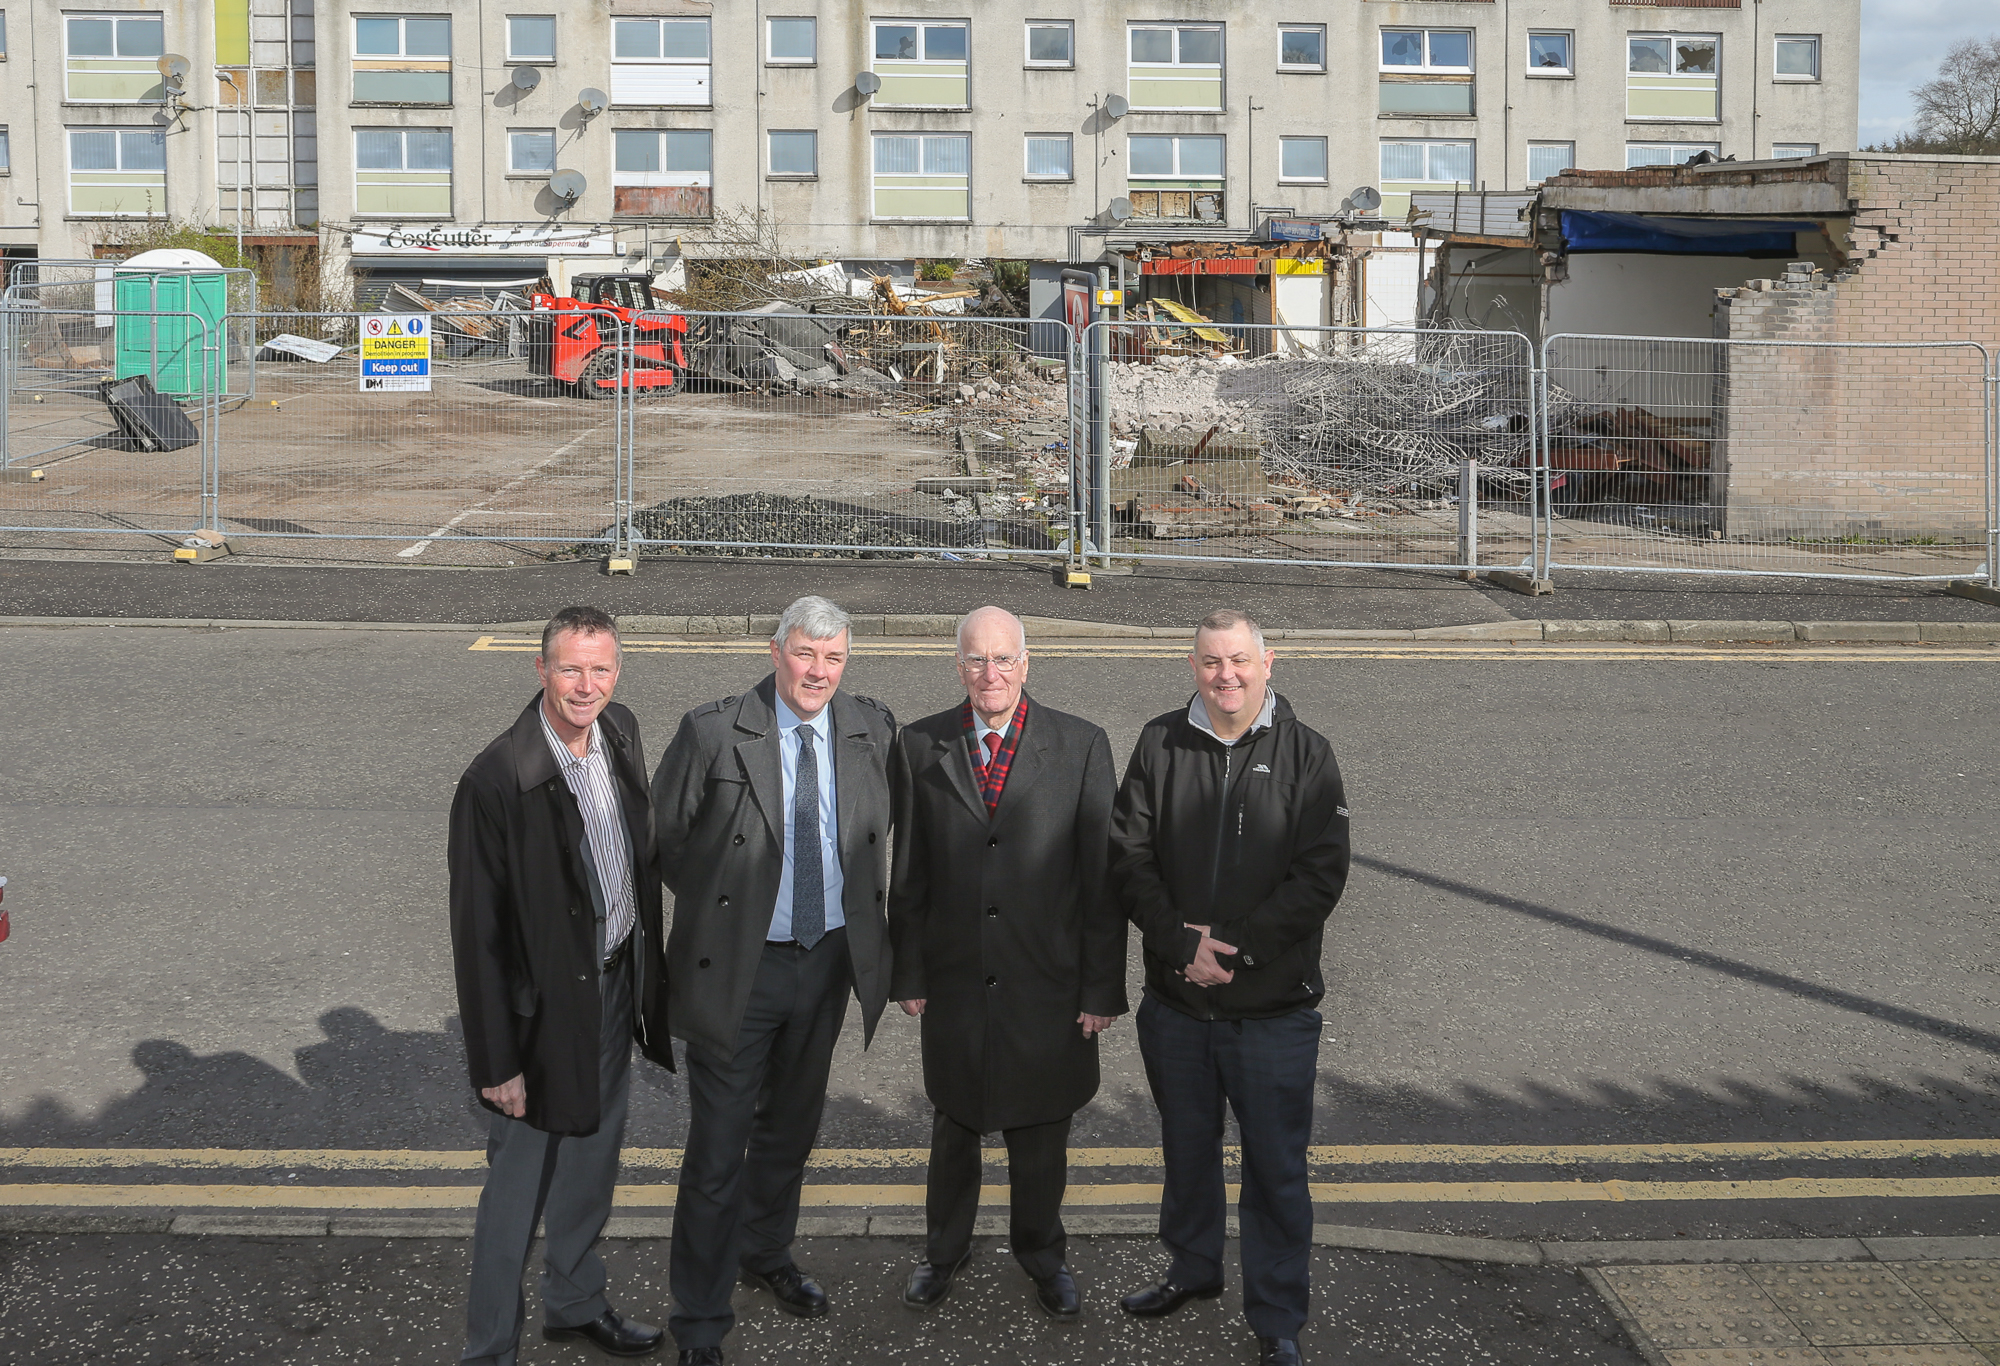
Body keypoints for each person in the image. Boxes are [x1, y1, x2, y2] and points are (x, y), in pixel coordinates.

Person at [650, 596, 898, 1366]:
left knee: (791, 1130)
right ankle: (698, 1318)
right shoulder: (713, 730)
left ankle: (765, 1252)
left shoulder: (871, 729)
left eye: (833, 658)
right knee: (718, 1149)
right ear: (774, 650)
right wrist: (731, 909)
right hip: (741, 969)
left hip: (824, 963)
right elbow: (664, 842)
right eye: (803, 654)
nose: (817, 672)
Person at [1109, 608, 1351, 1366]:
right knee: (1186, 1151)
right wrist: (1182, 944)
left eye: (1240, 661)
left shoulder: (1308, 754)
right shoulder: (1159, 742)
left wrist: (1233, 952)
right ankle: (1193, 1269)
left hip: (1272, 1010)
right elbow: (1127, 854)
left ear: (1269, 662)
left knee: (1276, 1168)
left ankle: (1277, 1317)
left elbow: (1320, 875)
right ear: (1193, 666)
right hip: (1177, 999)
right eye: (1212, 662)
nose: (1227, 676)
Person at [449, 605, 674, 1365]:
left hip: (611, 989)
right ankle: (490, 1351)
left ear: (618, 671)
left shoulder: (620, 732)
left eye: (600, 668)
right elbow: (477, 938)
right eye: (571, 668)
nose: (587, 685)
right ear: (540, 670)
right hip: (539, 1015)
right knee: (516, 1194)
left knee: (593, 1160)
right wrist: (497, 1064)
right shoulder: (495, 782)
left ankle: (576, 1301)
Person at [889, 606, 1124, 1319]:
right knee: (955, 1125)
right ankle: (943, 1253)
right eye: (974, 661)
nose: (988, 675)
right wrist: (909, 972)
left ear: (1026, 663)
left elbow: (1102, 881)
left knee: (1041, 1133)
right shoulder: (919, 744)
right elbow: (910, 871)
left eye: (1002, 660)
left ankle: (1042, 1256)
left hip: (1047, 982)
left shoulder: (1081, 745)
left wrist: (1100, 988)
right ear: (956, 666)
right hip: (956, 978)